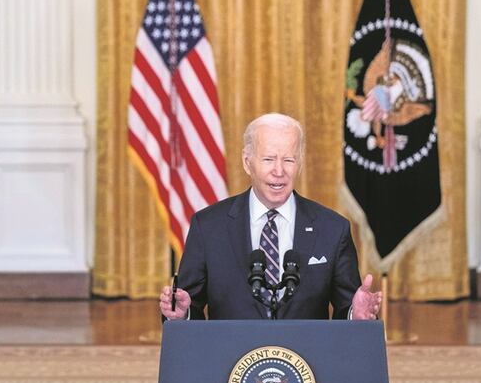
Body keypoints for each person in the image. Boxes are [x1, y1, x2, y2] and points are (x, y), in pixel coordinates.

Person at [159, 113, 382, 320]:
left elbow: (346, 312)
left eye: (289, 160)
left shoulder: (333, 228)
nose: (279, 171)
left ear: (300, 163)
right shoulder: (208, 227)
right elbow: (189, 307)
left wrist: (356, 315)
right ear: (248, 162)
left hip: (306, 359)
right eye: (268, 159)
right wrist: (183, 313)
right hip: (232, 359)